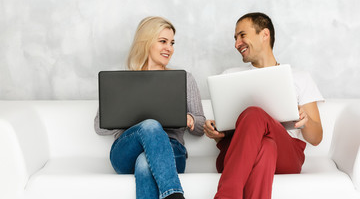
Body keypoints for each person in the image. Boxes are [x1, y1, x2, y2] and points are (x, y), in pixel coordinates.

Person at [204, 12, 324, 199]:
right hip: (236, 154)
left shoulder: (299, 77)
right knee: (266, 147)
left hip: (287, 156)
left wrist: (305, 121)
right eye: (235, 38)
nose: (237, 44)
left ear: (264, 35)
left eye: (242, 35)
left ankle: (227, 194)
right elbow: (223, 138)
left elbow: (316, 138)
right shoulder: (229, 75)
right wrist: (215, 133)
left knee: (254, 114)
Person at [94, 16, 205, 199]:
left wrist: (190, 119)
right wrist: (129, 116)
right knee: (150, 125)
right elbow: (99, 126)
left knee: (145, 162)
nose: (169, 48)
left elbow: (201, 127)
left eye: (172, 43)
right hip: (125, 153)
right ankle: (175, 195)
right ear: (146, 43)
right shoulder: (122, 82)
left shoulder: (185, 79)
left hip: (171, 152)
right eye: (163, 41)